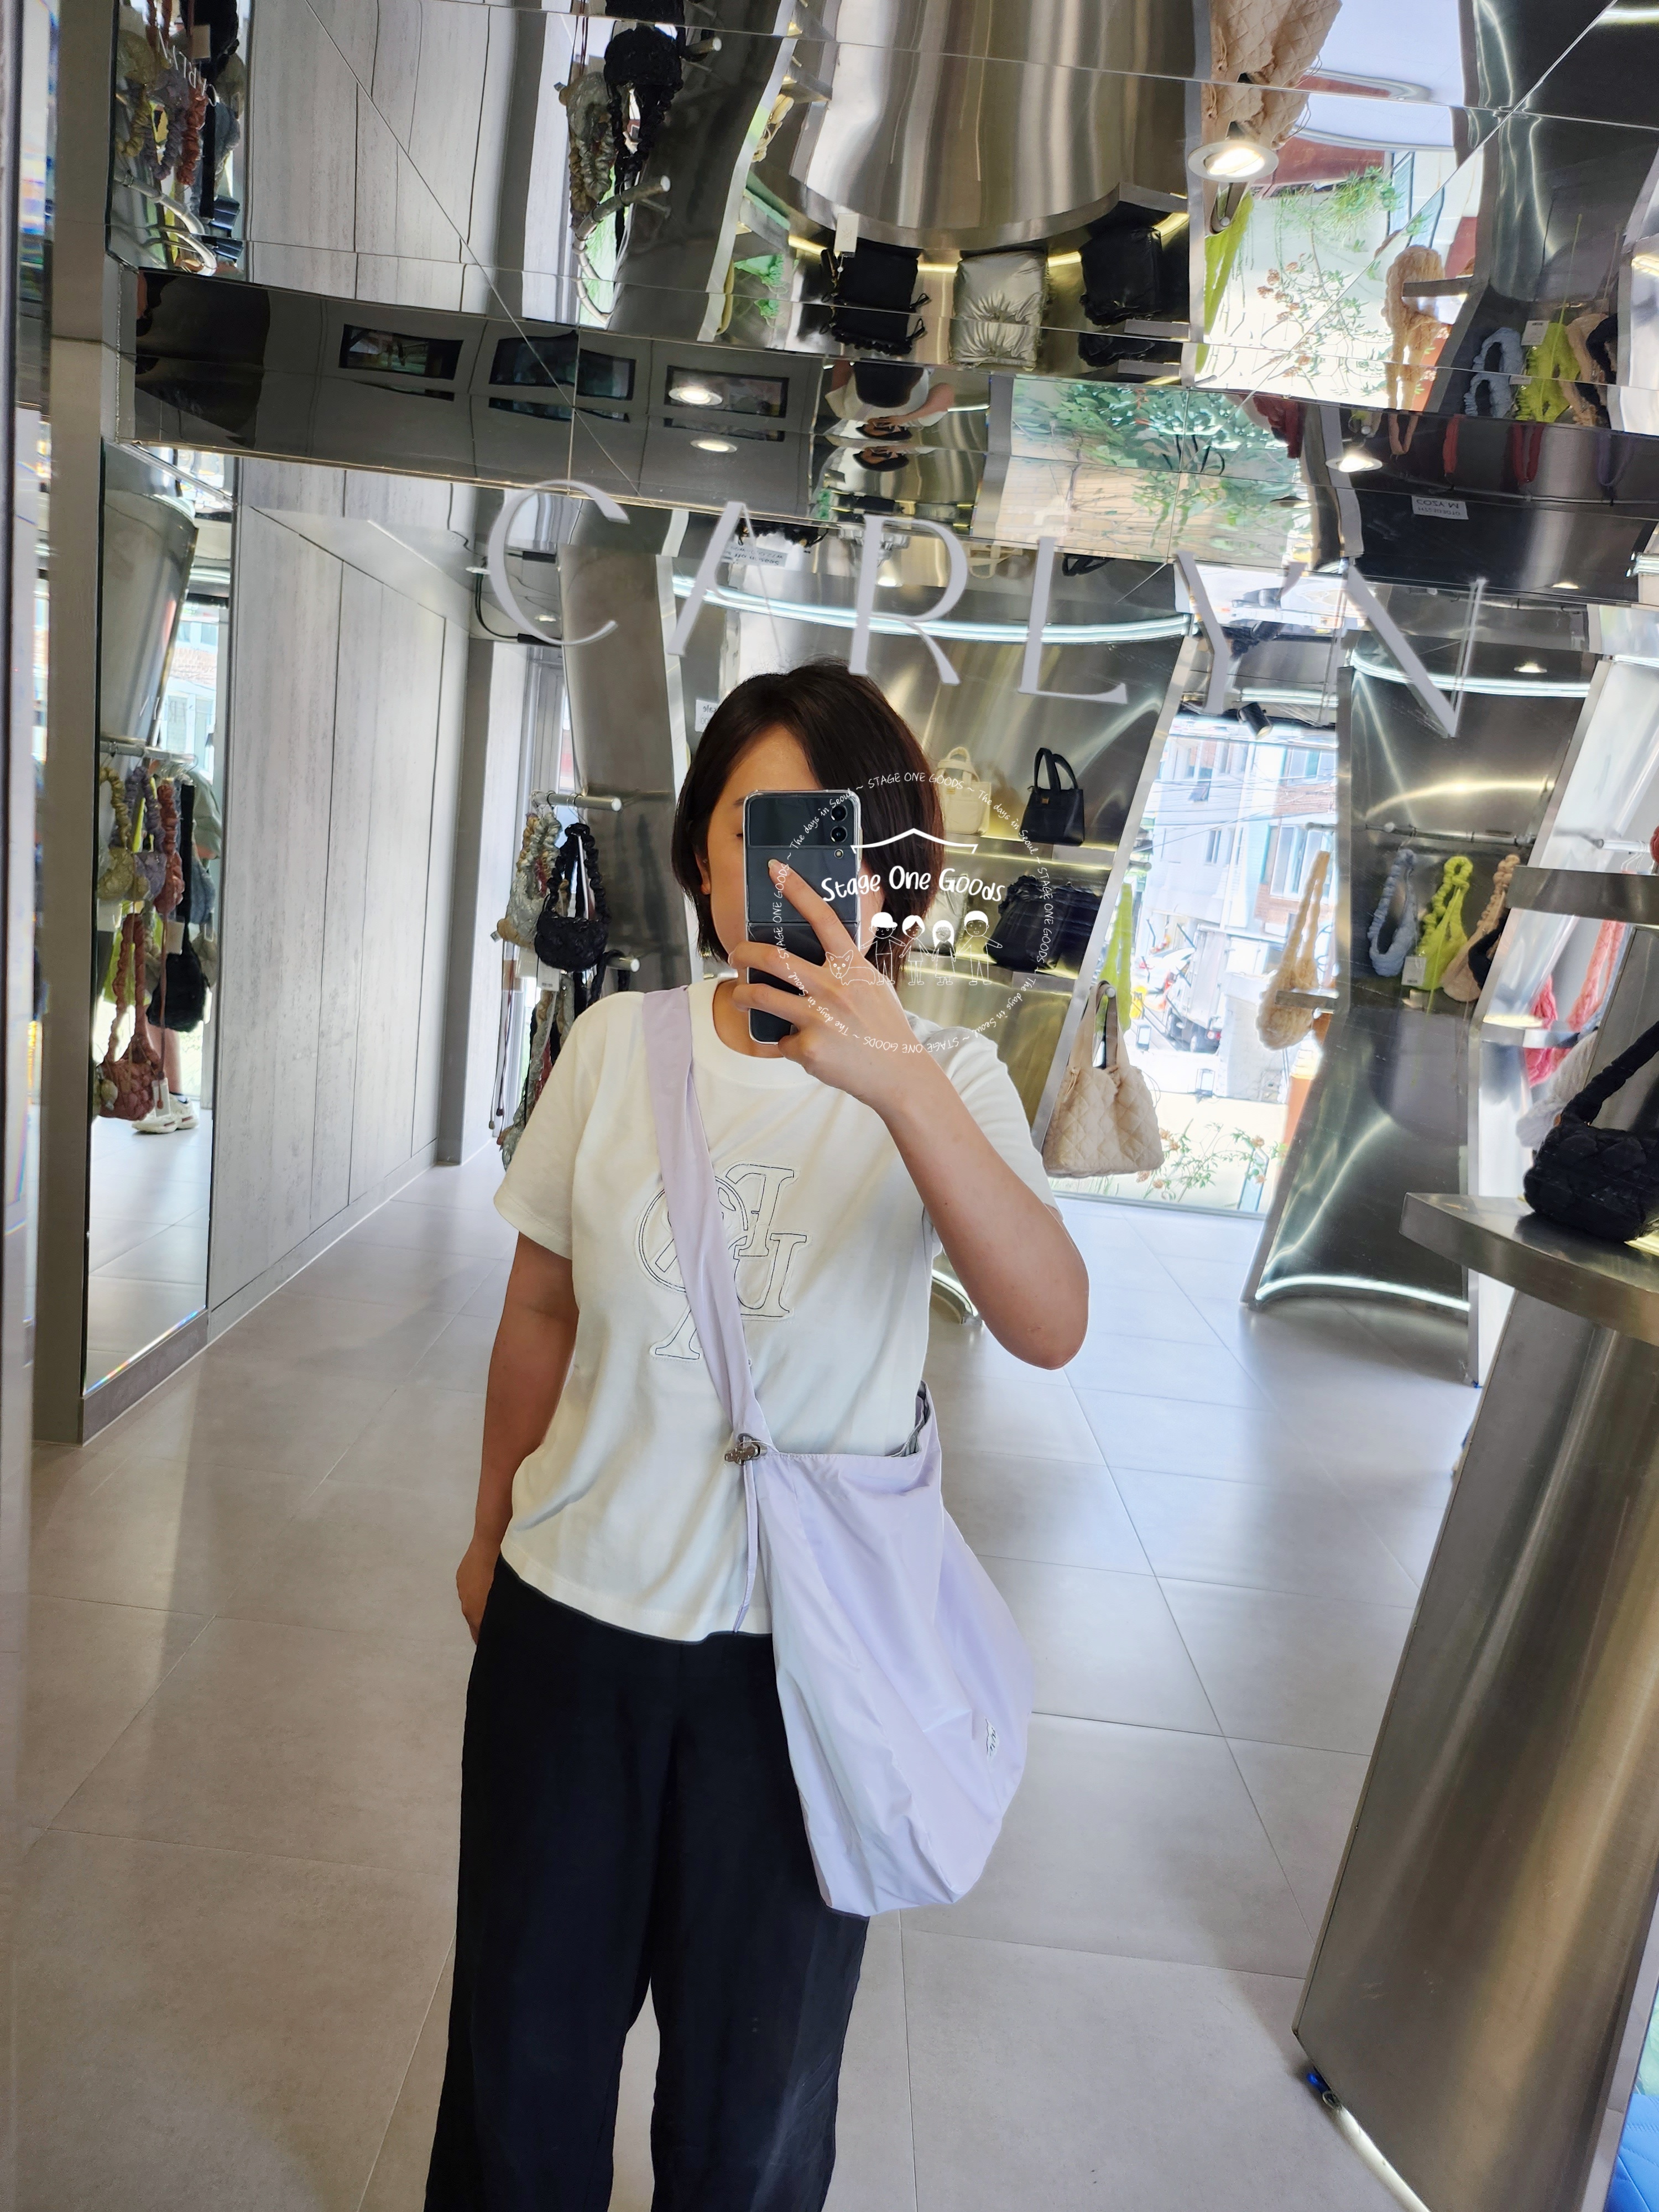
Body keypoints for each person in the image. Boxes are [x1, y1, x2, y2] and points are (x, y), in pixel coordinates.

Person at [426, 659, 1089, 2211]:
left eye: (829, 832)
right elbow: (538, 1312)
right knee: (521, 2062)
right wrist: (487, 1532)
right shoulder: (615, 1046)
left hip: (801, 1670)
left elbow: (1049, 1322)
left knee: (752, 2110)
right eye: (751, 827)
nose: (782, 870)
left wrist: (896, 1081)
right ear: (702, 852)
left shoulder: (952, 1077)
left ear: (889, 866)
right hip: (571, 1630)